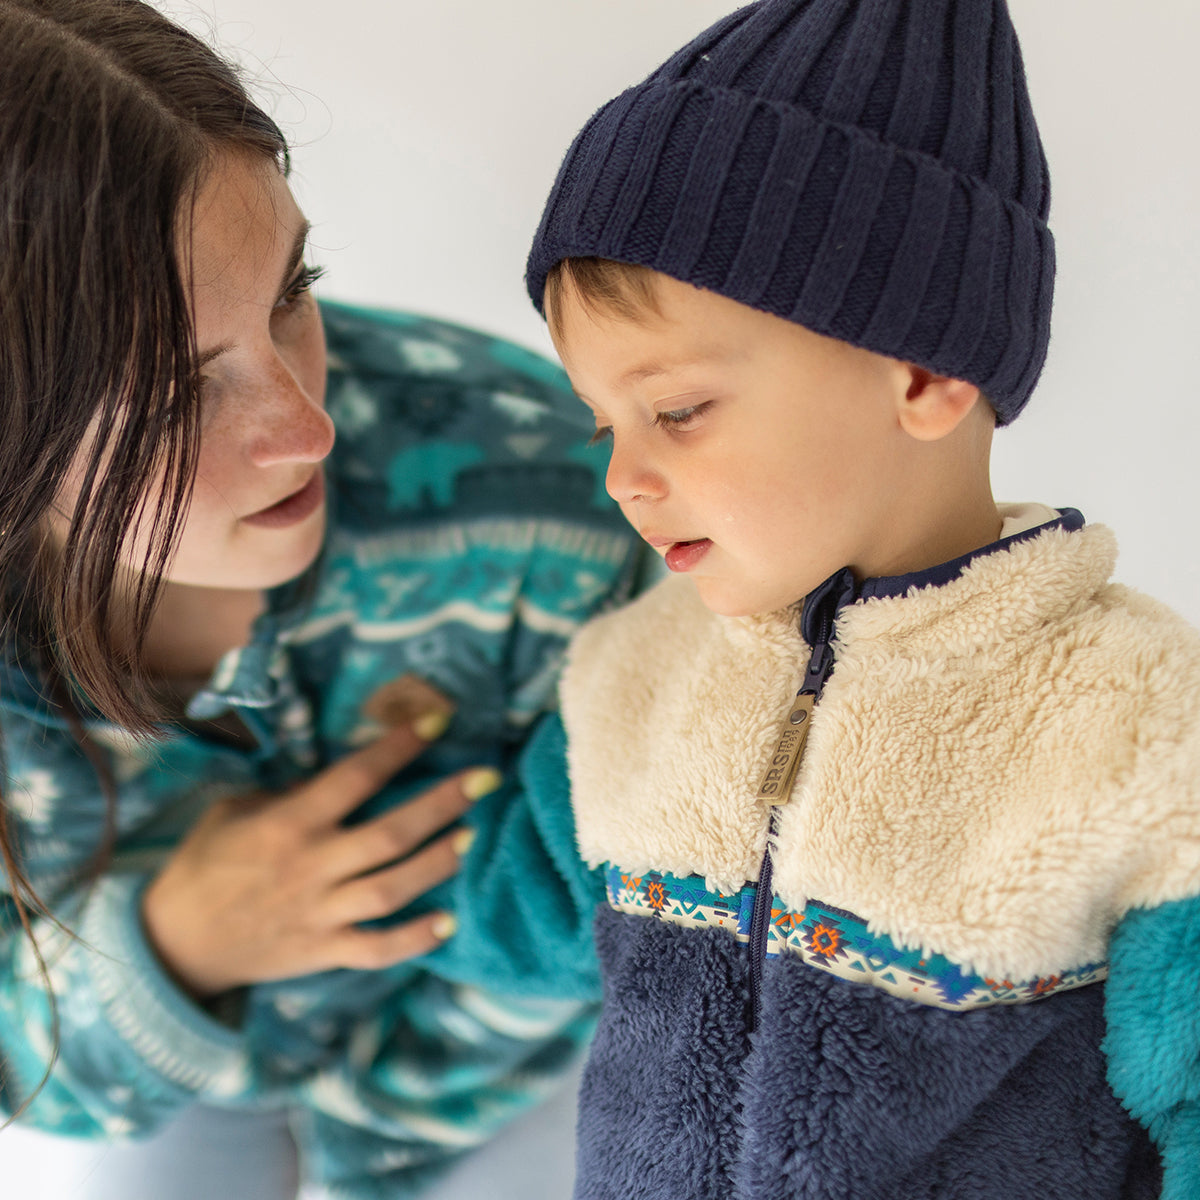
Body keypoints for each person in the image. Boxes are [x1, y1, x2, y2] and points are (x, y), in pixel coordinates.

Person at [516, 0, 1200, 1196]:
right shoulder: (631, 675)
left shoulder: (1144, 722)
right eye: (602, 424)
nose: (623, 477)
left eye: (676, 410)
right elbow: (497, 904)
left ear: (925, 373)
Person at [0, 1, 641, 1197]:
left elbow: (587, 936)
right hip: (148, 1068)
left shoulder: (559, 504)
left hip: (495, 1068)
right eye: (172, 393)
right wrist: (178, 943)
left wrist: (364, 1165)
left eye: (294, 292)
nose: (308, 428)